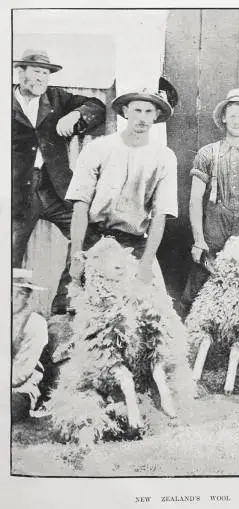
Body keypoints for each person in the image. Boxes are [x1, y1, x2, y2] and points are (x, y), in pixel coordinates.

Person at [12, 48, 107, 314]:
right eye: (36, 72)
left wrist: (76, 115)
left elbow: (97, 106)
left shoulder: (56, 98)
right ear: (20, 72)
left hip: (55, 188)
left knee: (88, 241)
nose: (42, 78)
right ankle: (12, 322)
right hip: (16, 192)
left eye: (46, 73)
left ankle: (63, 309)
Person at [66, 86, 178, 288]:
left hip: (132, 242)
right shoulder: (98, 148)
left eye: (148, 112)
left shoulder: (164, 157)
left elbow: (160, 215)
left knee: (152, 305)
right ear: (126, 112)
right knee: (72, 303)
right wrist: (76, 251)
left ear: (156, 116)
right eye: (137, 110)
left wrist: (146, 261)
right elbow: (80, 204)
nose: (142, 118)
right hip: (93, 238)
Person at [179, 88, 239, 314]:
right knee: (201, 278)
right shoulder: (207, 153)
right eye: (232, 115)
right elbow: (195, 198)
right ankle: (188, 324)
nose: (237, 120)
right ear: (223, 118)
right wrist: (199, 239)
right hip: (214, 224)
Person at [11, 269, 49, 423]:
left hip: (20, 389)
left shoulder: (34, 323)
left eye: (20, 294)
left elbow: (21, 372)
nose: (12, 298)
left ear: (28, 296)